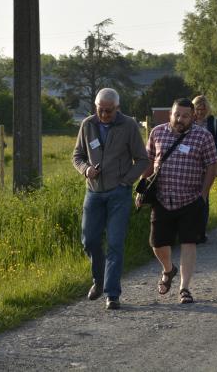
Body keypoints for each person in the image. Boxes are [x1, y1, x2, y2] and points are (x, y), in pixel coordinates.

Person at [73, 88, 150, 310]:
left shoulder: (128, 126)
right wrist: (86, 169)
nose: (104, 115)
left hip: (119, 193)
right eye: (100, 110)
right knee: (89, 241)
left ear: (117, 108)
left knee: (115, 243)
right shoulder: (88, 124)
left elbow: (142, 160)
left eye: (109, 111)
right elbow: (77, 155)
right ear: (95, 107)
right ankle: (98, 279)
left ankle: (112, 293)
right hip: (94, 192)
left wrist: (127, 181)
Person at [137, 98, 217, 304]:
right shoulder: (157, 132)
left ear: (193, 117)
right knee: (157, 243)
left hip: (191, 199)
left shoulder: (204, 136)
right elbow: (148, 162)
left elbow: (211, 166)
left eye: (185, 116)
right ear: (170, 114)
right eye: (176, 115)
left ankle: (185, 288)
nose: (180, 119)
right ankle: (168, 269)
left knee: (188, 242)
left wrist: (204, 193)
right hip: (162, 198)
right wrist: (140, 188)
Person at [192, 95, 217, 243]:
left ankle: (201, 231)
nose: (200, 113)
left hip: (207, 166)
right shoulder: (188, 121)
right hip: (189, 165)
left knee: (204, 197)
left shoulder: (214, 123)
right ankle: (190, 230)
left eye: (203, 110)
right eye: (198, 110)